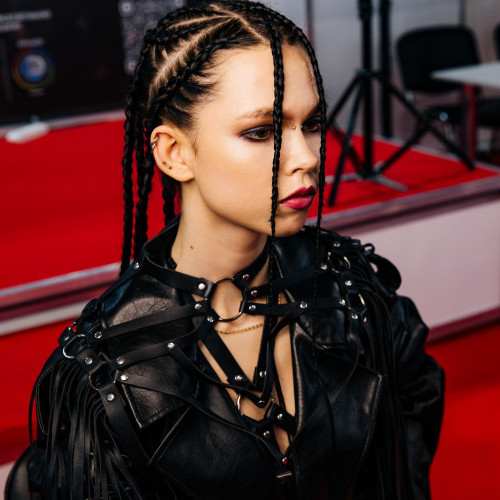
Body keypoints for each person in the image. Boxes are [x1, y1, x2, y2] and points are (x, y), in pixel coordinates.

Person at [12, 1, 444, 499]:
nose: (306, 157)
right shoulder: (105, 373)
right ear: (175, 153)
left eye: (312, 123)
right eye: (261, 132)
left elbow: (405, 437)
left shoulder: (354, 293)